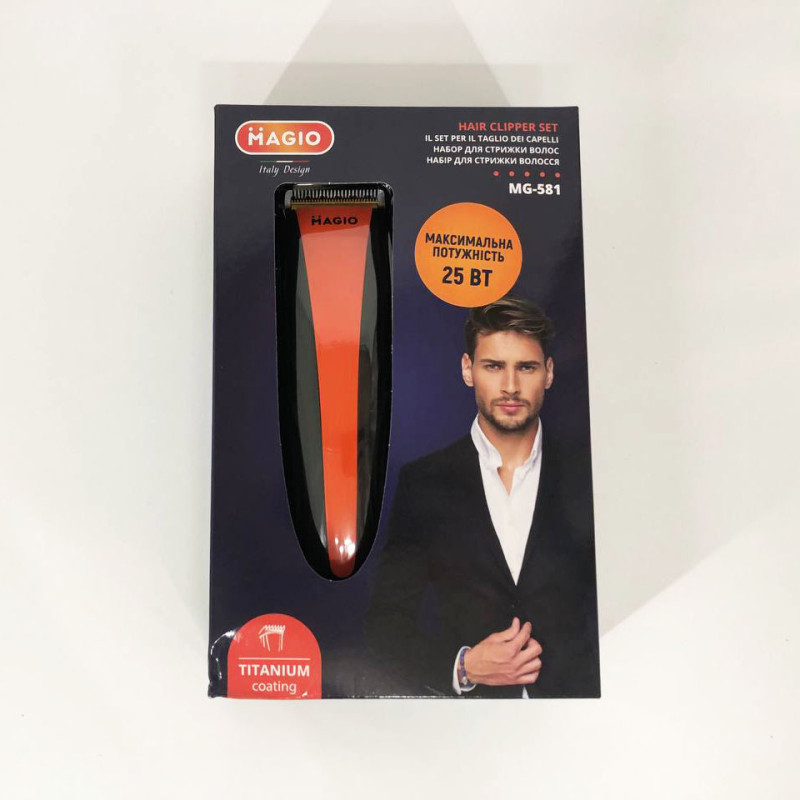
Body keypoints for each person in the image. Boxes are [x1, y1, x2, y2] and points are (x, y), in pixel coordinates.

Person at [364, 296, 600, 698]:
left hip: (583, 714)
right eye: (493, 366)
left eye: (526, 367)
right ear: (467, 369)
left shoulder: (590, 472)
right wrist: (463, 666)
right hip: (471, 724)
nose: (510, 387)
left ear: (548, 372)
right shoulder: (425, 483)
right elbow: (384, 623)